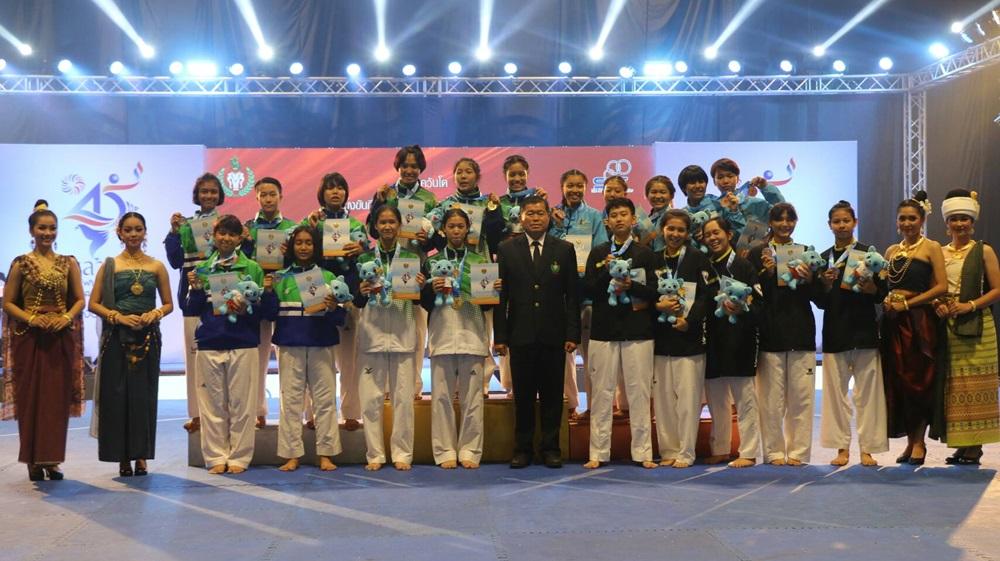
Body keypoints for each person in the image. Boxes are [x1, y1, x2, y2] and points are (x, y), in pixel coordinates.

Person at [494, 195, 580, 468]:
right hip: (520, 335)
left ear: (548, 216)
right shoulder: (506, 249)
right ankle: (523, 449)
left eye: (540, 213)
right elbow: (501, 297)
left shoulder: (564, 249)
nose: (535, 218)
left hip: (554, 334)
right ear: (521, 217)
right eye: (529, 213)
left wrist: (572, 334)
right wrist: (500, 336)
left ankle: (551, 448)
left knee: (553, 395)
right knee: (523, 396)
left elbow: (572, 296)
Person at [2, 200, 85, 481]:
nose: (47, 233)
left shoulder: (68, 263)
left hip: (60, 338)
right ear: (32, 230)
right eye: (42, 228)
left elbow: (79, 300)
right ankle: (33, 460)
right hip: (29, 339)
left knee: (55, 401)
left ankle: (52, 460)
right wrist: (32, 319)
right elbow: (8, 303)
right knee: (31, 398)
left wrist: (66, 317)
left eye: (52, 228)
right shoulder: (21, 263)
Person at [88, 212, 174, 477]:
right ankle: (122, 457)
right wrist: (118, 317)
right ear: (120, 233)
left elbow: (169, 304)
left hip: (147, 338)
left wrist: (154, 314)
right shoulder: (110, 265)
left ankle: (141, 455)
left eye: (138, 229)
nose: (134, 234)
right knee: (117, 397)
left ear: (145, 232)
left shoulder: (156, 266)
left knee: (143, 397)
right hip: (117, 338)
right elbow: (94, 304)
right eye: (128, 230)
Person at [261, 225, 347, 472]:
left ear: (316, 246)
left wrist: (333, 308)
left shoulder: (329, 277)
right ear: (291, 246)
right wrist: (268, 291)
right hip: (290, 345)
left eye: (309, 242)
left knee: (325, 401)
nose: (303, 247)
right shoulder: (280, 278)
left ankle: (326, 454)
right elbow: (268, 315)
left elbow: (341, 319)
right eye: (299, 242)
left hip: (322, 343)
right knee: (291, 401)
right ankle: (291, 455)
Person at [187, 215, 266, 474]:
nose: (226, 238)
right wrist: (195, 290)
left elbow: (262, 311)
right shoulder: (202, 269)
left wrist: (247, 309)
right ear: (214, 235)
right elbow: (191, 308)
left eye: (232, 234)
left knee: (242, 404)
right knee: (211, 405)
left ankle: (240, 457)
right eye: (222, 233)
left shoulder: (252, 268)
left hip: (243, 341)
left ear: (240, 238)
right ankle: (215, 456)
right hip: (209, 340)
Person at [583, 198, 657, 469]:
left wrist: (630, 286)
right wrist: (606, 273)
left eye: (624, 214)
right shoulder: (598, 253)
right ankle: (597, 453)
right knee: (601, 393)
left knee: (639, 393)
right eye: (613, 215)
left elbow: (654, 292)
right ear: (607, 222)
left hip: (638, 331)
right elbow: (588, 291)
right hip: (604, 331)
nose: (619, 219)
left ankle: (643, 453)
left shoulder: (645, 253)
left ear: (633, 219)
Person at [421, 209, 497, 469]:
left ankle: (470, 451)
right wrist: (429, 289)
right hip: (442, 334)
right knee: (441, 398)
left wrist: (495, 290)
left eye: (460, 226)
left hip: (472, 334)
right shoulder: (431, 262)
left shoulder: (480, 261)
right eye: (451, 226)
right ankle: (444, 452)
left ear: (468, 229)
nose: (456, 230)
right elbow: (423, 303)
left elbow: (488, 305)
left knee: (472, 399)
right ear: (443, 229)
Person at [815, 201, 888, 467]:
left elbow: (882, 293)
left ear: (854, 223)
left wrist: (870, 288)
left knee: (869, 394)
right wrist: (824, 284)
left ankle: (868, 448)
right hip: (835, 332)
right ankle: (841, 448)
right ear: (830, 225)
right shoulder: (823, 258)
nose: (842, 225)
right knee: (835, 396)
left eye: (846, 220)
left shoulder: (868, 254)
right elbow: (820, 301)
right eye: (837, 221)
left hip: (864, 331)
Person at [747, 202, 819, 466]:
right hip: (770, 334)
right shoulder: (757, 254)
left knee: (802, 399)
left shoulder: (805, 253)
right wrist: (767, 272)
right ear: (771, 222)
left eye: (790, 219)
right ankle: (774, 451)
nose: (785, 224)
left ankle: (799, 452)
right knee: (770, 401)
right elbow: (753, 296)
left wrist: (810, 279)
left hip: (801, 332)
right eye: (780, 219)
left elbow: (819, 298)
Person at [355, 205, 425, 471]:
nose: (387, 226)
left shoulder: (411, 257)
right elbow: (357, 300)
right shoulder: (364, 259)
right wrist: (361, 291)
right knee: (370, 400)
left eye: (392, 222)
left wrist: (419, 287)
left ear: (399, 225)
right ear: (375, 226)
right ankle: (374, 454)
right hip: (372, 335)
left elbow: (418, 300)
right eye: (382, 222)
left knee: (403, 400)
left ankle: (402, 454)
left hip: (402, 334)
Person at [881, 191, 947, 465]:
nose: (907, 223)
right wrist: (887, 299)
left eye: (912, 218)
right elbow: (886, 285)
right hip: (893, 323)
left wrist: (908, 304)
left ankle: (920, 442)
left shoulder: (931, 247)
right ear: (897, 222)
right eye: (902, 218)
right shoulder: (891, 251)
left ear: (922, 220)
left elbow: (941, 287)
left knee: (919, 381)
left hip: (919, 324)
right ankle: (910, 442)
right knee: (898, 383)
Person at [934, 190, 1000, 465]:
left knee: (975, 385)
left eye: (964, 219)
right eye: (954, 219)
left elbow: (997, 289)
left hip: (978, 325)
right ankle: (963, 444)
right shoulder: (939, 252)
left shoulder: (983, 250)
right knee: (954, 386)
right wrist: (937, 304)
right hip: (948, 325)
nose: (960, 224)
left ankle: (975, 446)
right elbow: (935, 288)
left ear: (972, 222)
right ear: (947, 223)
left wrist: (969, 306)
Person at [432, 158, 506, 396]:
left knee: (481, 327)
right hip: (451, 266)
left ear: (477, 176)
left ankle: (481, 382)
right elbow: (431, 233)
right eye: (459, 172)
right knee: (452, 325)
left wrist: (494, 211)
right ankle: (454, 384)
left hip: (479, 266)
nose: (463, 176)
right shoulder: (445, 204)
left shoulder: (488, 202)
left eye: (468, 172)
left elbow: (496, 236)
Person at [368, 145, 435, 400]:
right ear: (398, 166)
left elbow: (435, 240)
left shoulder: (429, 198)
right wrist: (378, 201)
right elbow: (372, 231)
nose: (409, 170)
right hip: (385, 268)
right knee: (386, 329)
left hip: (414, 270)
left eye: (414, 166)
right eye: (405, 165)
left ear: (421, 169)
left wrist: (427, 239)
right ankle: (386, 388)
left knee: (416, 333)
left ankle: (414, 386)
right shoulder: (386, 193)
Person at [306, 173, 369, 431]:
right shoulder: (312, 221)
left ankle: (351, 411)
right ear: (322, 193)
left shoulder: (355, 225)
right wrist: (312, 230)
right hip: (317, 292)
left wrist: (362, 249)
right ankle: (314, 413)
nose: (335, 192)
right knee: (317, 358)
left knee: (349, 358)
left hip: (348, 295)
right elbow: (299, 251)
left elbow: (367, 261)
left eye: (340, 188)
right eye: (330, 188)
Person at [651, 210, 712, 469]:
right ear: (662, 230)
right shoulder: (653, 259)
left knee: (688, 402)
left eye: (680, 230)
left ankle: (686, 452)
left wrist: (691, 321)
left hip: (690, 340)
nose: (675, 234)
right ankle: (668, 450)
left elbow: (707, 296)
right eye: (671, 229)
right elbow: (648, 294)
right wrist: (658, 306)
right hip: (661, 339)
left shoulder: (698, 258)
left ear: (688, 234)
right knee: (664, 401)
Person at [165, 173, 225, 434]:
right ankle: (197, 414)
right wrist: (173, 233)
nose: (208, 196)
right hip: (192, 298)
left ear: (219, 195)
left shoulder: (227, 224)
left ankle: (222, 413)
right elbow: (176, 261)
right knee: (194, 360)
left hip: (221, 296)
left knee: (221, 359)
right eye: (204, 191)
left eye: (213, 191)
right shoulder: (186, 225)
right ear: (197, 196)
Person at [702, 216, 763, 468]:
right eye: (708, 234)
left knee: (745, 399)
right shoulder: (704, 266)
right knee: (716, 399)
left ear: (729, 235)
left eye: (717, 232)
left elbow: (759, 304)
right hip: (712, 339)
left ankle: (748, 451)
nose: (713, 238)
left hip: (741, 340)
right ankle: (720, 448)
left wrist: (742, 310)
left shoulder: (744, 265)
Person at [242, 177, 298, 429]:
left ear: (281, 196)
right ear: (256, 197)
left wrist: (290, 252)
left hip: (285, 293)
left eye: (272, 194)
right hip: (258, 296)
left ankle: (295, 413)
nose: (268, 199)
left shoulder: (292, 228)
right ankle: (258, 410)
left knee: (290, 358)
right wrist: (246, 243)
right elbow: (242, 262)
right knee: (258, 355)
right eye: (263, 194)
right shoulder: (247, 228)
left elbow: (302, 260)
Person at [549, 169, 603, 420]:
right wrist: (558, 227)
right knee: (562, 356)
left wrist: (585, 271)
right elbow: (550, 251)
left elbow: (601, 250)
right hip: (560, 297)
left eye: (579, 185)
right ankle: (568, 405)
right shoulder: (552, 216)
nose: (574, 190)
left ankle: (594, 408)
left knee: (592, 358)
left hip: (588, 296)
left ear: (585, 187)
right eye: (570, 185)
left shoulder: (594, 216)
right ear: (562, 187)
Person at [710, 158, 786, 227]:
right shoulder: (711, 206)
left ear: (737, 178)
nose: (725, 181)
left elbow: (783, 212)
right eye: (720, 177)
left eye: (730, 176)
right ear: (714, 181)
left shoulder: (753, 203)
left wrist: (765, 187)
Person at [642, 175, 676, 251]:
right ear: (647, 195)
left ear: (671, 195)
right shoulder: (645, 219)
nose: (658, 196)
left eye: (662, 192)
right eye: (653, 192)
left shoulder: (676, 218)